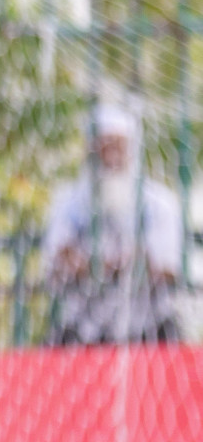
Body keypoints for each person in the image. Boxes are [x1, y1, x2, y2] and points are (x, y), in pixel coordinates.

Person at [43, 102, 183, 345]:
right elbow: (57, 260)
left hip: (148, 325)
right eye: (103, 147)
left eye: (118, 146)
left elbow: (168, 267)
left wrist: (106, 266)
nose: (110, 156)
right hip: (83, 327)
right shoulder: (69, 201)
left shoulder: (159, 203)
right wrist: (112, 265)